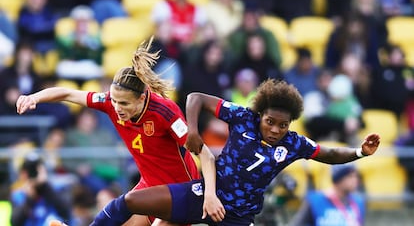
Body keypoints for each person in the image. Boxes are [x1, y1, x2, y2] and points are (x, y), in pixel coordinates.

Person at [64, 79, 380, 226]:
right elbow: (196, 98)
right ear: (261, 114)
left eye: (282, 125)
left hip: (238, 218)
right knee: (132, 201)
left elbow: (328, 153)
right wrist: (194, 131)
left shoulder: (293, 144)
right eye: (270, 121)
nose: (274, 129)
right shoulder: (242, 117)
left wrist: (359, 152)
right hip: (204, 196)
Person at [15, 37, 200, 226]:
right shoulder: (110, 102)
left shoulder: (164, 111)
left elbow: (203, 153)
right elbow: (68, 93)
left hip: (179, 191)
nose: (117, 107)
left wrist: (209, 194)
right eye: (114, 101)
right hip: (150, 186)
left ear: (141, 99)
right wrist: (34, 98)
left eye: (124, 103)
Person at [287, 163, 366, 226]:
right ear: (338, 179)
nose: (355, 180)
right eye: (350, 176)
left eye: (356, 176)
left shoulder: (358, 201)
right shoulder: (315, 200)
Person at [10, 152, 71, 226]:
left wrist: (45, 185)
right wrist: (29, 198)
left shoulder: (55, 190)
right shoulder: (18, 195)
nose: (35, 174)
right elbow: (15, 223)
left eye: (37, 169)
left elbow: (67, 214)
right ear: (23, 174)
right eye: (31, 171)